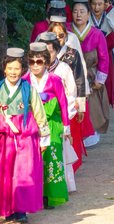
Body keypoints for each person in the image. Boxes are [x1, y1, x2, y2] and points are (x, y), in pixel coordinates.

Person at [0, 47, 51, 222]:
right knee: (3, 174)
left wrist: (44, 137)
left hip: (25, 137)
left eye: (17, 68)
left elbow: (38, 111)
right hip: (2, 138)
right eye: (10, 68)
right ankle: (4, 209)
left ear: (22, 70)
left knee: (23, 173)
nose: (13, 72)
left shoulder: (28, 89)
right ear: (4, 69)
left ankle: (20, 210)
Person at [23, 42, 70, 208]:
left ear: (46, 62)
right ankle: (37, 195)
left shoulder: (55, 80)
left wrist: (66, 127)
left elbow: (63, 103)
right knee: (34, 160)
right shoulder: (24, 81)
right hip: (32, 125)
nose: (35, 65)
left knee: (52, 158)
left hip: (52, 124)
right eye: (32, 62)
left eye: (39, 61)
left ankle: (51, 196)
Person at [36, 32, 80, 192]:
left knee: (57, 154)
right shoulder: (31, 71)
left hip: (57, 118)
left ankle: (59, 188)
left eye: (51, 52)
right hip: (36, 120)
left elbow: (70, 94)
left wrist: (64, 118)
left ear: (57, 51)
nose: (47, 56)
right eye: (43, 53)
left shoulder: (63, 68)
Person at [48, 15, 88, 171]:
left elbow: (79, 79)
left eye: (61, 36)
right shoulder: (44, 56)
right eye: (54, 36)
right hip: (49, 103)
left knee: (70, 136)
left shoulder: (72, 54)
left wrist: (81, 104)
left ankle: (72, 168)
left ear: (66, 36)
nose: (58, 39)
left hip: (69, 101)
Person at [72, 0, 110, 147]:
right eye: (75, 11)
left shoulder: (97, 34)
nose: (79, 15)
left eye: (82, 11)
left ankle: (89, 135)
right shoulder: (67, 32)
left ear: (88, 14)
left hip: (91, 76)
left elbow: (104, 58)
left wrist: (100, 80)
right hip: (72, 77)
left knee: (92, 107)